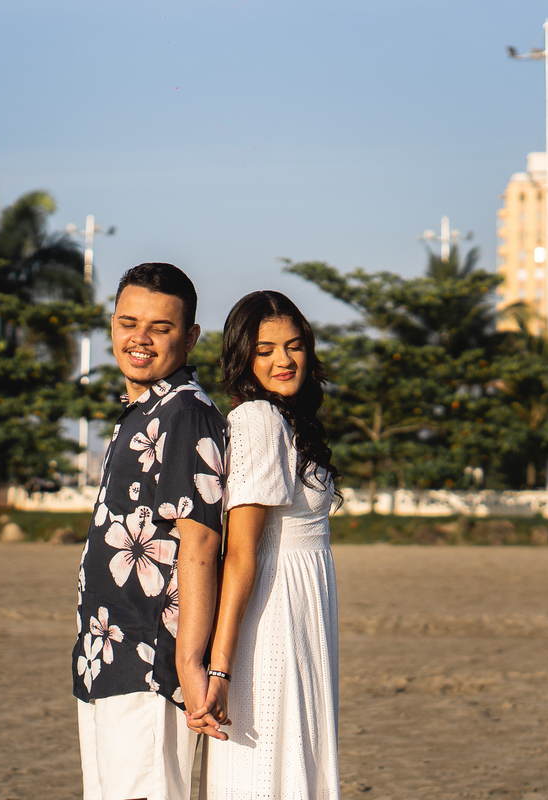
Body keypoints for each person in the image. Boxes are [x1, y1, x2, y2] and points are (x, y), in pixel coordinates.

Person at [73, 263, 228, 800]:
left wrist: (188, 663)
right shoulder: (143, 409)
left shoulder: (185, 411)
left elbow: (201, 541)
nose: (139, 339)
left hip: (150, 657)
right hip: (107, 651)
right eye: (127, 322)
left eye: (160, 328)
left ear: (189, 337)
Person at [189, 290, 342, 799]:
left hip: (302, 609)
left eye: (294, 346)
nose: (284, 359)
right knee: (268, 771)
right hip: (272, 615)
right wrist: (221, 666)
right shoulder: (256, 419)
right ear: (242, 356)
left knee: (292, 762)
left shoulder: (287, 419)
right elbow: (240, 552)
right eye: (265, 349)